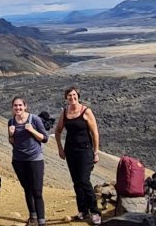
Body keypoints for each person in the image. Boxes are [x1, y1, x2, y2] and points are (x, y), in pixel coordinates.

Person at [55, 86, 102, 225]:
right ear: (66, 98)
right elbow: (57, 131)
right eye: (69, 95)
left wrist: (96, 152)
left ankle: (95, 212)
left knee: (84, 180)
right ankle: (83, 210)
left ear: (78, 96)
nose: (72, 97)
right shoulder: (65, 112)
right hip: (70, 151)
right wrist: (60, 148)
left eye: (74, 95)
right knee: (76, 182)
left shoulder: (86, 111)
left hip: (85, 150)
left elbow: (95, 133)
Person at [8, 97, 49, 226]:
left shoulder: (34, 119)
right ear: (12, 107)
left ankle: (41, 221)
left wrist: (32, 130)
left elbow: (45, 138)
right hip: (19, 160)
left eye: (20, 105)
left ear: (25, 106)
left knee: (37, 191)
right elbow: (12, 142)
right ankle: (33, 217)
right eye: (15, 105)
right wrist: (11, 134)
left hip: (35, 159)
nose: (18, 108)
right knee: (27, 189)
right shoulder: (11, 121)